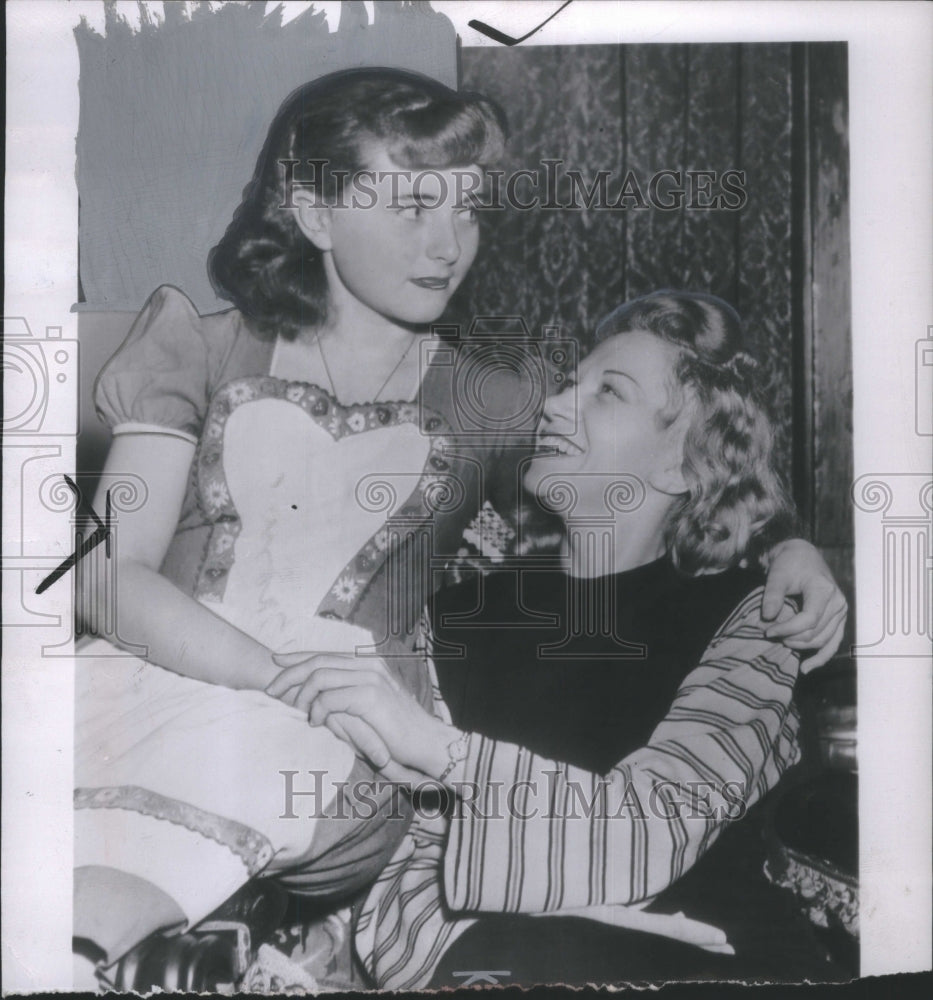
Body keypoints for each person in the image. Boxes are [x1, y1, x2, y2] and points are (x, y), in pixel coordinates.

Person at [74, 66, 844, 976]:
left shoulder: (493, 393)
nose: (447, 244)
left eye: (468, 209)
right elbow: (102, 573)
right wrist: (270, 673)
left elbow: (668, 460)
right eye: (411, 207)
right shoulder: (196, 345)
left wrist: (788, 542)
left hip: (328, 741)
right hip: (153, 678)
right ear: (316, 214)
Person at [290, 291, 846, 987]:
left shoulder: (751, 620)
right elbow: (408, 869)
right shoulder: (463, 612)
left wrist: (436, 747)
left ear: (681, 461)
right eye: (568, 385)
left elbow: (656, 824)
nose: (554, 406)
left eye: (607, 393)